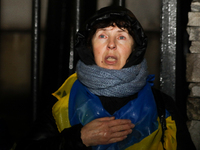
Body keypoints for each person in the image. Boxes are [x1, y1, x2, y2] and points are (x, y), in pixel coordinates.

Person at [15, 6, 196, 150]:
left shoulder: (161, 105)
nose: (111, 45)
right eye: (102, 35)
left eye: (122, 37)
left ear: (134, 48)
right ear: (89, 46)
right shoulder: (64, 103)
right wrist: (79, 138)